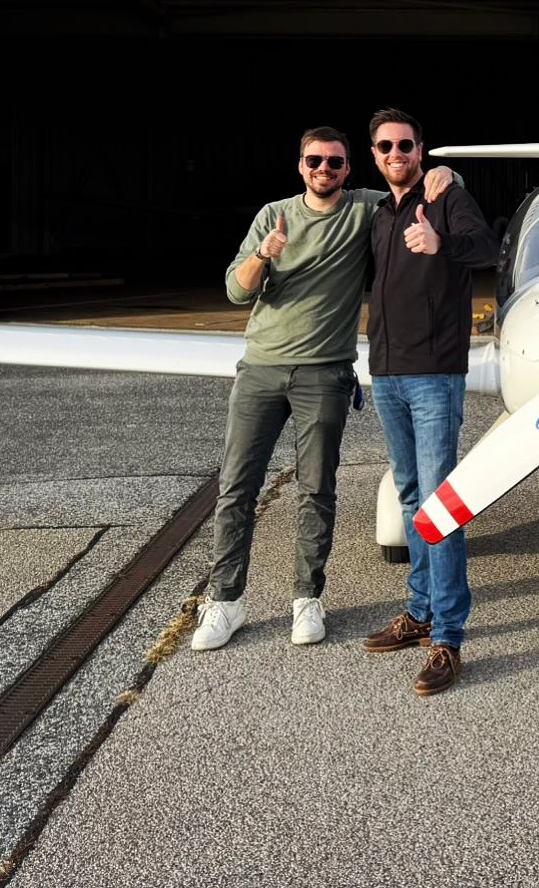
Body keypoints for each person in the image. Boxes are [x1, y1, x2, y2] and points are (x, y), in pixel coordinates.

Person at [191, 126, 456, 652]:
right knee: (236, 489)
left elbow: (418, 189)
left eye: (335, 162)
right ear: (301, 165)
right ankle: (225, 601)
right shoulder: (274, 215)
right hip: (261, 370)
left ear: (348, 169)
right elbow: (236, 291)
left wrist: (446, 172)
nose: (324, 169)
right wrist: (263, 254)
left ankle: (307, 598)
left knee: (316, 490)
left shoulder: (364, 209)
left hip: (325, 373)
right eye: (315, 160)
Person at [361, 108, 499, 696]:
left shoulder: (445, 198)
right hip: (388, 372)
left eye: (406, 145)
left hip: (434, 374)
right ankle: (419, 612)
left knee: (441, 503)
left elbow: (486, 247)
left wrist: (442, 242)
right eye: (386, 146)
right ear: (375, 154)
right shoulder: (377, 212)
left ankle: (447, 637)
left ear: (422, 150)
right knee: (412, 495)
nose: (396, 154)